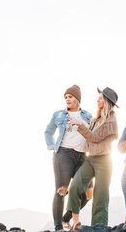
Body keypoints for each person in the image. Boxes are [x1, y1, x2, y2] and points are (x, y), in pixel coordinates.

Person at [67, 87, 119, 229]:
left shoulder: (111, 122)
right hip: (91, 159)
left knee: (100, 199)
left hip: (104, 161)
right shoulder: (96, 119)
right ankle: (75, 221)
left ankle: (98, 228)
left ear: (107, 101)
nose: (97, 100)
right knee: (75, 186)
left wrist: (80, 125)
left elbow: (94, 138)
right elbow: (89, 139)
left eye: (101, 98)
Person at [44, 85, 94, 231]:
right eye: (66, 97)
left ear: (77, 99)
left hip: (83, 156)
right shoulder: (58, 115)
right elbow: (48, 131)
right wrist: (52, 145)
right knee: (62, 190)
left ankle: (66, 218)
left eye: (70, 97)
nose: (67, 99)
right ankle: (58, 227)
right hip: (64, 154)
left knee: (88, 193)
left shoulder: (88, 116)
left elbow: (94, 133)